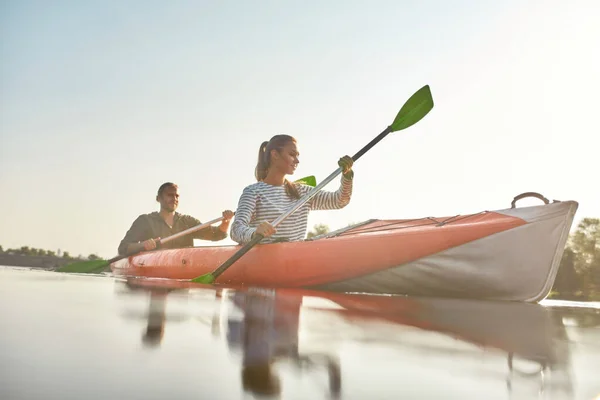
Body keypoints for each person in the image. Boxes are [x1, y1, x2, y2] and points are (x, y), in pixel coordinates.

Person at [230, 134, 354, 245]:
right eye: (292, 154)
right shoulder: (253, 192)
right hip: (263, 262)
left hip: (294, 261)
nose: (297, 160)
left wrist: (347, 176)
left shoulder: (303, 192)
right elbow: (236, 230)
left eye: (297, 155)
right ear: (275, 155)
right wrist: (254, 232)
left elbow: (339, 201)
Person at [118, 182, 234, 255]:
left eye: (177, 196)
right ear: (158, 198)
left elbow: (216, 235)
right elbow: (123, 248)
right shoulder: (145, 221)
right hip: (155, 281)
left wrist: (226, 222)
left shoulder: (187, 221)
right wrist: (143, 245)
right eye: (170, 195)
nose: (174, 199)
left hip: (182, 277)